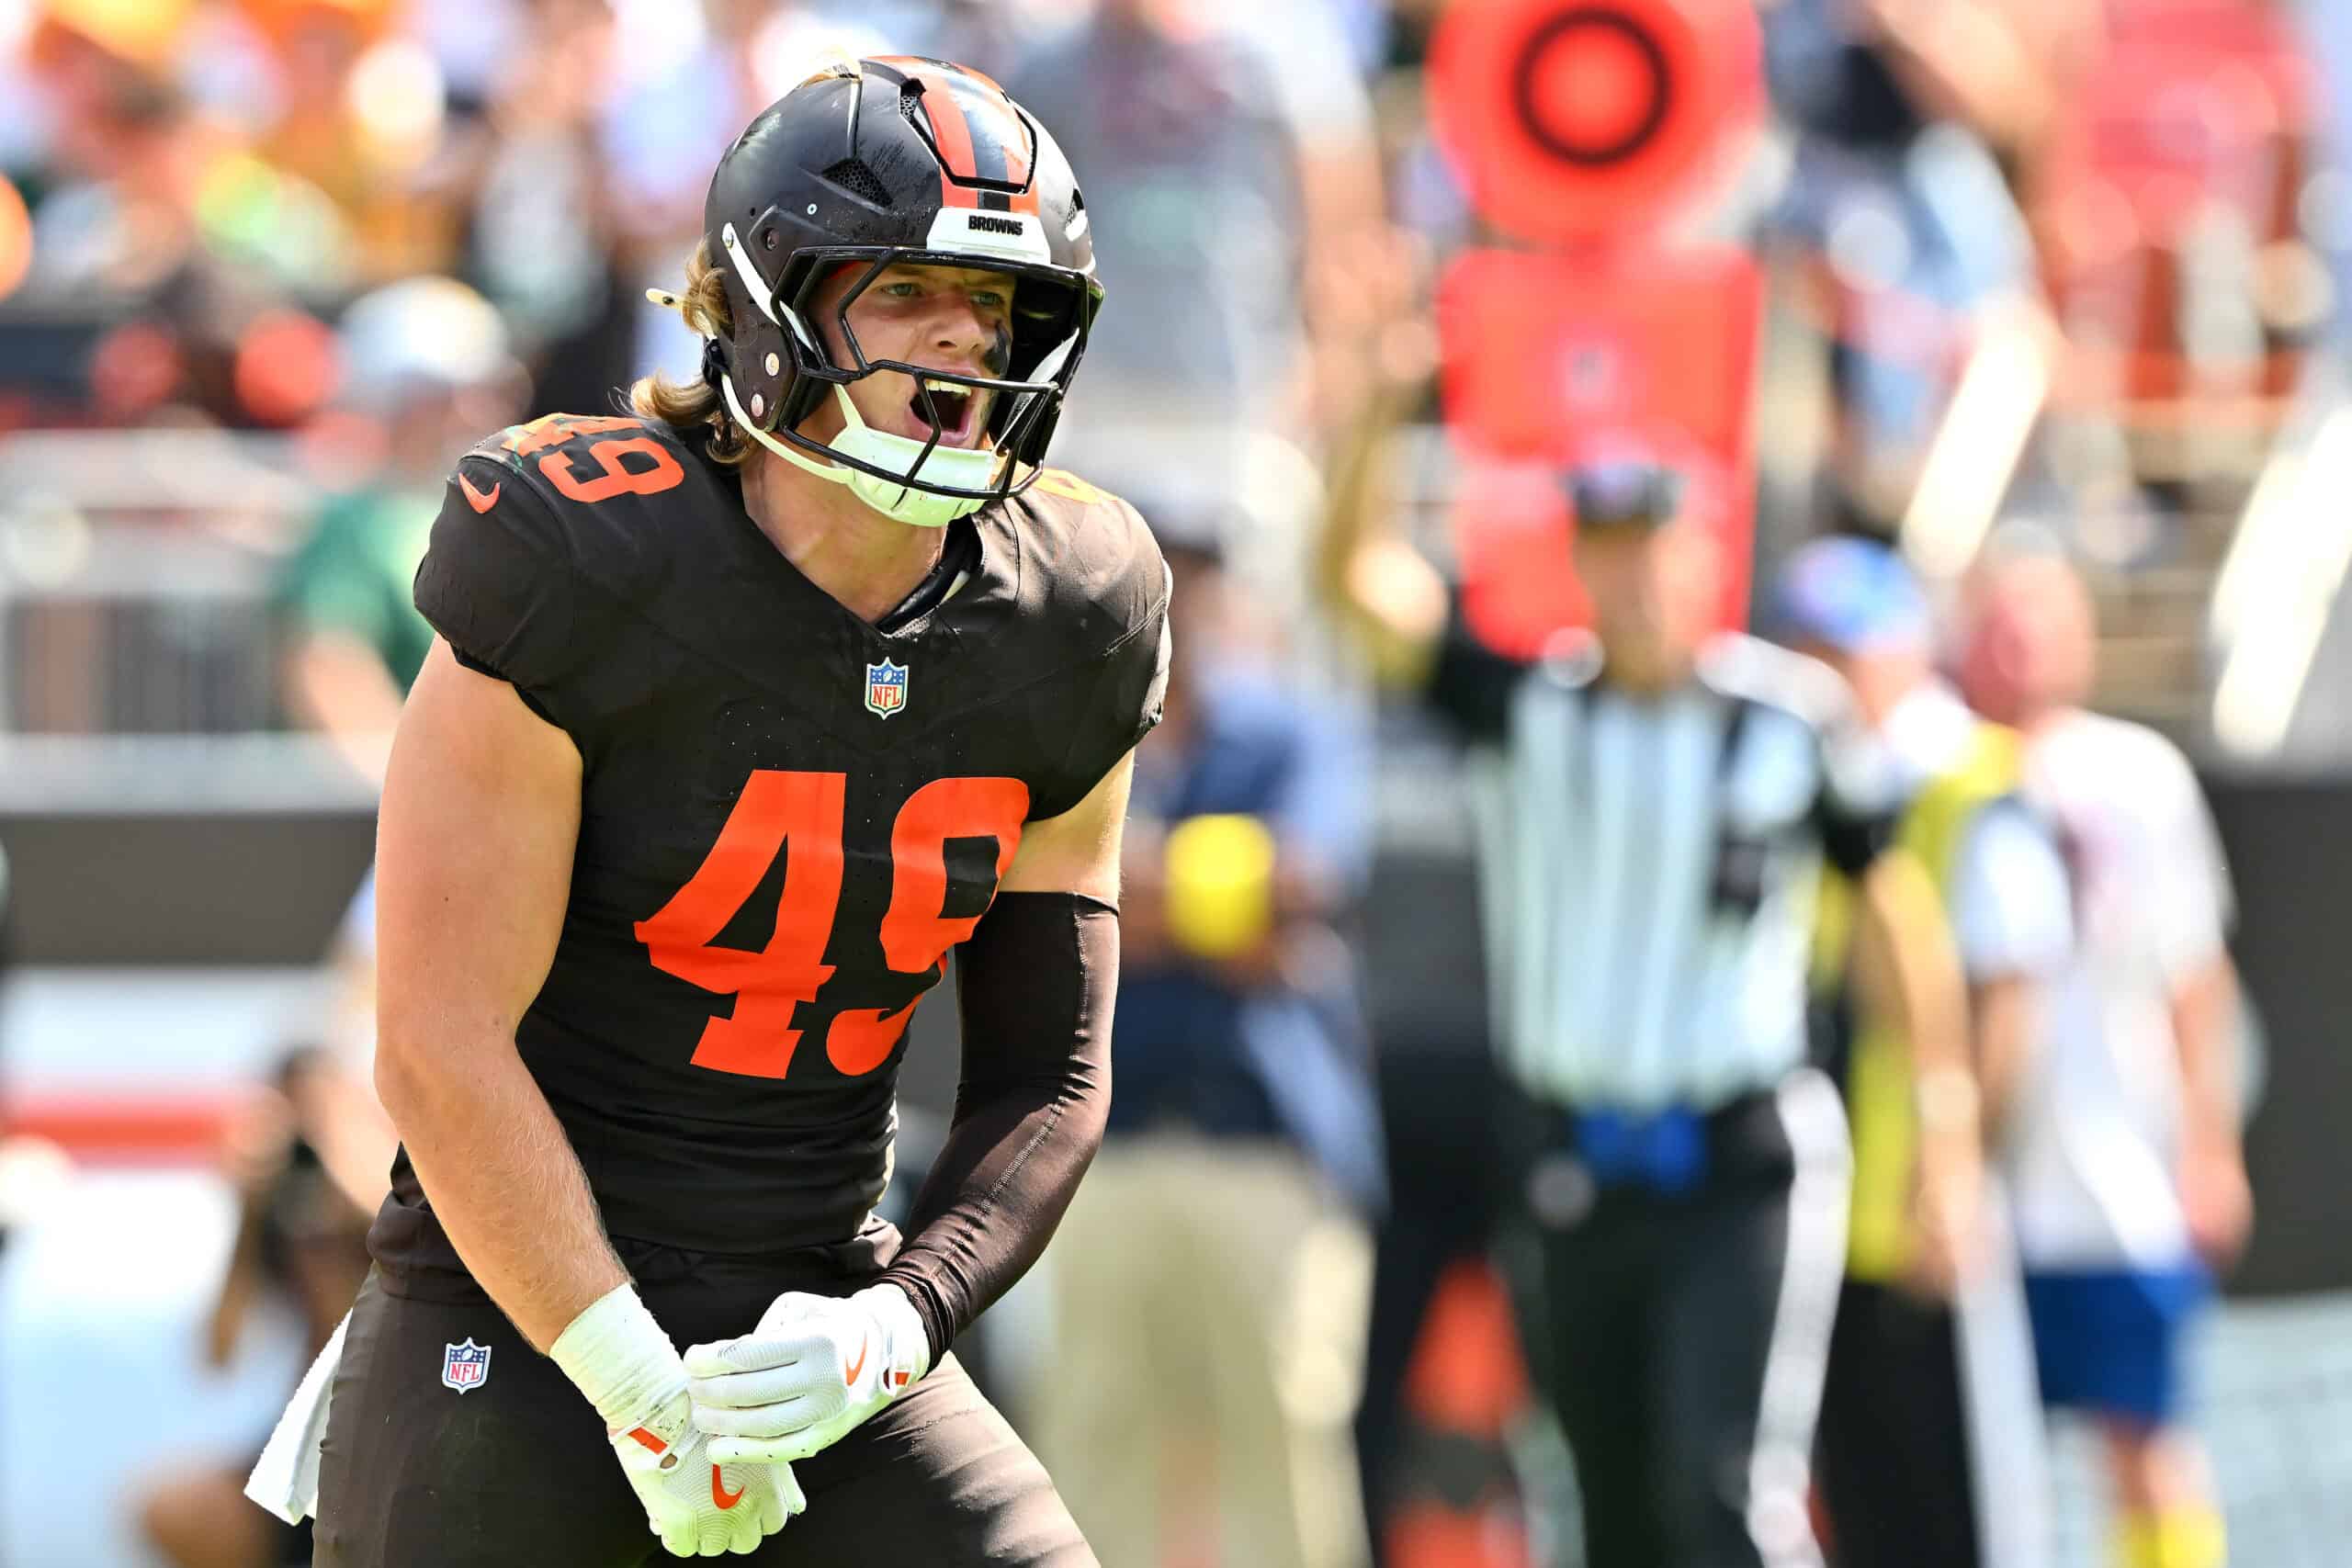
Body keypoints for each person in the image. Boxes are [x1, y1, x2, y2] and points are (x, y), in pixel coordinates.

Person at [246, 55, 1170, 1565]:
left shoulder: (1071, 606)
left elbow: (1049, 1075)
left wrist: (898, 1322)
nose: (962, 345)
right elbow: (436, 1045)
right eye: (910, 292)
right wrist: (632, 1385)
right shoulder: (584, 551)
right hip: (516, 1314)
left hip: (810, 1300)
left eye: (996, 309)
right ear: (770, 314)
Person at [1320, 456, 1973, 1568]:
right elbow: (1352, 585)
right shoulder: (1524, 707)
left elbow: (1889, 910)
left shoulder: (1788, 718)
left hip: (1738, 1161)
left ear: (1704, 557)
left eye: (1654, 546)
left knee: (1721, 1491)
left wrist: (1941, 1127)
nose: (1634, 578)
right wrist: (1380, 405)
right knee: (1610, 1507)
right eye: (1609, 547)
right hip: (1573, 1162)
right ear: (1578, 561)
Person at [1030, 520, 1380, 1568]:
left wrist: (1123, 889)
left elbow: (1301, 886)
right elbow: (1027, 892)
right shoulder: (1073, 730)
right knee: (1088, 1454)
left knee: (1284, 1462)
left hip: (1260, 1144)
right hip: (1098, 1148)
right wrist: (1216, 900)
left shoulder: (1292, 731)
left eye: (1196, 581)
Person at [1774, 536, 2069, 1568]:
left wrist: (1954, 1172)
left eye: (1840, 648)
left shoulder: (1962, 781)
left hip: (1921, 1220)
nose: (1822, 672)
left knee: (1950, 1515)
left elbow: (2007, 1002)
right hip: (1830, 1213)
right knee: (1860, 1507)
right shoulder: (1811, 774)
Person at [1957, 546, 2249, 1568]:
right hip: (1971, 1196)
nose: (2018, 640)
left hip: (2114, 1179)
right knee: (1975, 1461)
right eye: (1997, 617)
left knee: (2144, 1439)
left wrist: (2206, 1147)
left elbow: (2191, 975)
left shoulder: (2138, 774)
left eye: (2039, 616)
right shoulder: (1935, 765)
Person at [274, 276, 526, 784]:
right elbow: (330, 669)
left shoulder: (511, 516)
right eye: (452, 394)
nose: (479, 410)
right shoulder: (355, 525)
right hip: (426, 823)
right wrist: (417, 798)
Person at [143, 1048, 380, 1568]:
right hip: (313, 1436)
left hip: (388, 1427)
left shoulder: (393, 1202)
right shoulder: (279, 1213)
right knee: (177, 1508)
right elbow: (216, 1355)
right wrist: (248, 1213)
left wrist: (342, 1154)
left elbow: (381, 1229)